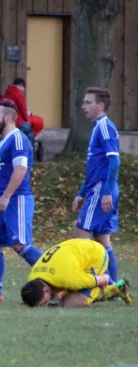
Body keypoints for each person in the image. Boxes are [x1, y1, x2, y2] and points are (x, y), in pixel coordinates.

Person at [0, 99, 43, 303]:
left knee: (20, 244)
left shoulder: (18, 139)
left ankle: (56, 280)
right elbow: (4, 176)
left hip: (17, 200)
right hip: (4, 201)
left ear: (7, 118)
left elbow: (21, 170)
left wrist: (6, 197)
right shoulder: (2, 142)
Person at [72, 87, 120, 285]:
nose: (83, 107)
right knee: (102, 240)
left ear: (100, 106)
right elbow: (95, 167)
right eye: (83, 102)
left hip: (102, 190)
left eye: (88, 103)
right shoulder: (97, 128)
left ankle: (85, 284)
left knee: (80, 235)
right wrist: (81, 193)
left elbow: (114, 162)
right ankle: (114, 286)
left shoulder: (104, 127)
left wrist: (107, 192)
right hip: (97, 188)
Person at [21, 239, 131, 308]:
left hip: (95, 254)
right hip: (75, 249)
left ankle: (114, 289)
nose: (44, 305)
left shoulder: (68, 278)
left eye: (43, 302)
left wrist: (103, 281)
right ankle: (116, 287)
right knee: (62, 299)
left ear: (46, 290)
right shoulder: (33, 278)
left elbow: (103, 279)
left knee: (71, 303)